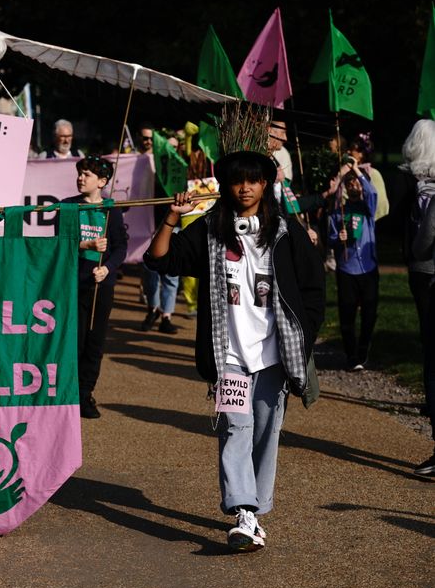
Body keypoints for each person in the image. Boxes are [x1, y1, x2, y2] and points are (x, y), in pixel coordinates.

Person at [146, 150, 325, 552]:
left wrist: (303, 334)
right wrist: (174, 216)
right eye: (236, 181)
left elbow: (314, 289)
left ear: (266, 183)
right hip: (228, 356)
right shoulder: (210, 230)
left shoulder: (284, 230)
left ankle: (256, 512)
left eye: (254, 180)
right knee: (234, 429)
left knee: (266, 433)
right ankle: (244, 511)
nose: (245, 188)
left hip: (275, 355)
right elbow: (160, 259)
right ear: (225, 186)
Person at [57, 155, 126, 418]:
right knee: (73, 341)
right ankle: (68, 393)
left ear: (102, 181)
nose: (80, 178)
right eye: (80, 173)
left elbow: (121, 246)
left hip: (100, 283)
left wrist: (107, 268)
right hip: (72, 281)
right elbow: (59, 243)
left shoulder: (111, 209)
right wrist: (85, 245)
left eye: (87, 174)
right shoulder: (67, 207)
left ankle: (85, 394)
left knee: (95, 343)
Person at [403, 119, 435, 476]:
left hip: (428, 276)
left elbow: (424, 241)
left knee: (433, 361)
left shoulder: (422, 189)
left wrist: (414, 252)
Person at [328, 167, 378, 370]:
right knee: (347, 313)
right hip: (347, 268)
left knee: (369, 312)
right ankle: (351, 355)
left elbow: (372, 193)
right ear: (347, 188)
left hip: (368, 267)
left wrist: (357, 171)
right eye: (351, 183)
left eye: (357, 182)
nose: (354, 185)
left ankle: (363, 347)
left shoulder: (368, 208)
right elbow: (330, 237)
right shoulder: (339, 211)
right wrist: (338, 239)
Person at [348, 133, 389, 221]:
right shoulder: (346, 171)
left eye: (352, 149)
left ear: (361, 154)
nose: (348, 152)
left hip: (368, 221)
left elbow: (380, 202)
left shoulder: (373, 174)